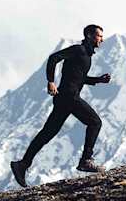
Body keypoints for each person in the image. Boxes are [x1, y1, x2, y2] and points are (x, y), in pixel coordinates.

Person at [10, 24, 111, 187]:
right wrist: (50, 81)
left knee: (47, 133)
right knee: (95, 122)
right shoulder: (78, 50)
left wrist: (98, 80)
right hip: (69, 96)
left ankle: (22, 164)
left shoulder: (87, 56)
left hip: (65, 98)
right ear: (90, 36)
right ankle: (86, 160)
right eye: (99, 36)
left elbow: (80, 78)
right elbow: (53, 58)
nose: (102, 39)